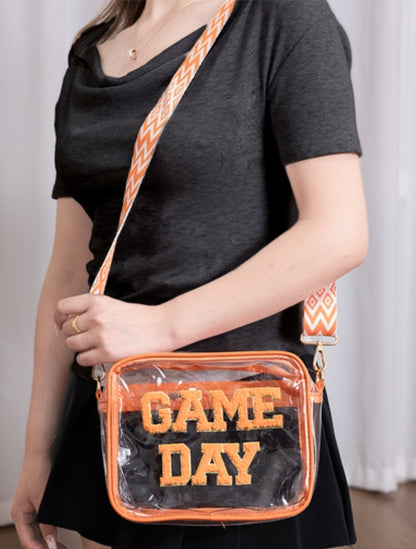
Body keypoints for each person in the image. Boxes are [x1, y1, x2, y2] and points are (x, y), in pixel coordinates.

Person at [11, 0, 368, 548]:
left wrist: (161, 326)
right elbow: (69, 271)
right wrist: (38, 451)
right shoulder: (91, 52)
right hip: (114, 407)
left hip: (243, 422)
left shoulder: (284, 18)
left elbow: (339, 231)